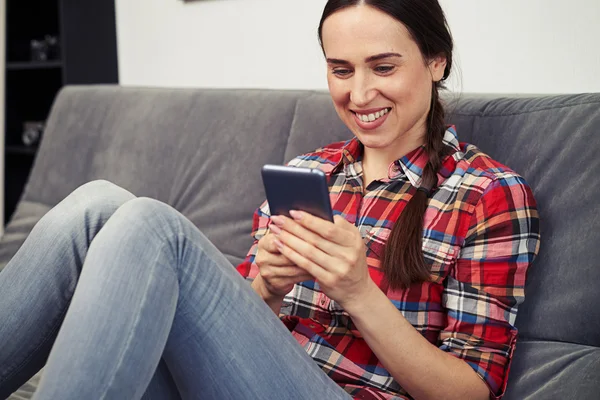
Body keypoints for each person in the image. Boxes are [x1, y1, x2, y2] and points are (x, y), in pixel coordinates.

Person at [0, 0, 540, 399]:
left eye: (384, 67)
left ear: (436, 62)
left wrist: (358, 292)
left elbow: (472, 391)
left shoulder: (486, 193)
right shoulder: (309, 173)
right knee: (96, 204)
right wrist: (269, 288)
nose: (358, 95)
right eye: (341, 69)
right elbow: (226, 328)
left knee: (151, 224)